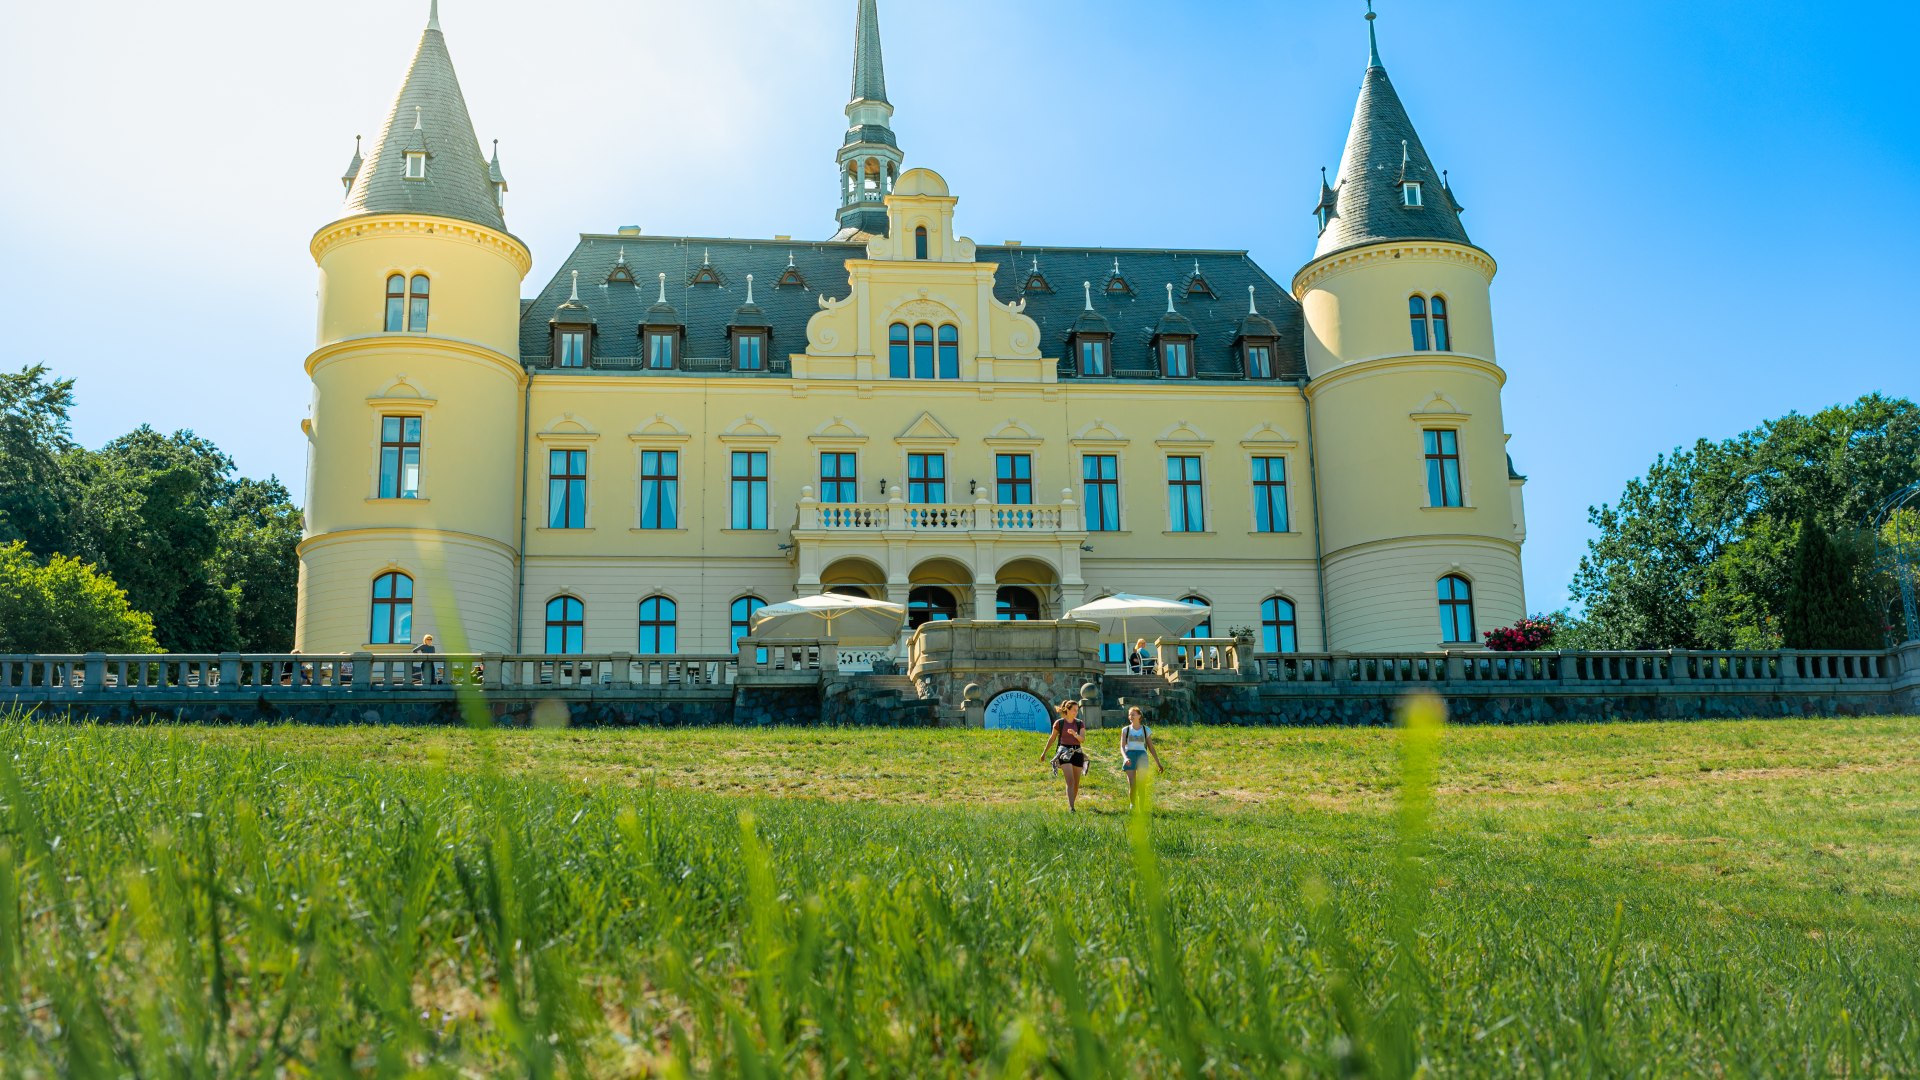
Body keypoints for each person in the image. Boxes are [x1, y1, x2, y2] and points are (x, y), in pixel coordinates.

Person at [1040, 699, 1089, 812]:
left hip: (1077, 752)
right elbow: (1052, 739)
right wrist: (1044, 752)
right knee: (1070, 781)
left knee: (1076, 783)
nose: (1076, 712)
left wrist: (1075, 734)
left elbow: (1082, 739)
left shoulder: (1079, 723)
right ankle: (1071, 808)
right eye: (1074, 710)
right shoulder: (1059, 723)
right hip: (1063, 752)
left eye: (1077, 710)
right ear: (1067, 710)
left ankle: (1072, 803)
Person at [1119, 706, 1167, 809]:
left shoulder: (1146, 730)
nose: (1130, 716)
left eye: (1133, 714)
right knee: (1133, 784)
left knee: (1141, 784)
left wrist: (1158, 763)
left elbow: (1151, 748)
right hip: (1130, 756)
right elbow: (1122, 747)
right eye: (1129, 714)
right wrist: (1125, 758)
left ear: (1139, 716)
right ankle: (1133, 805)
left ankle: (1141, 808)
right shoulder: (1125, 730)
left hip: (1142, 756)